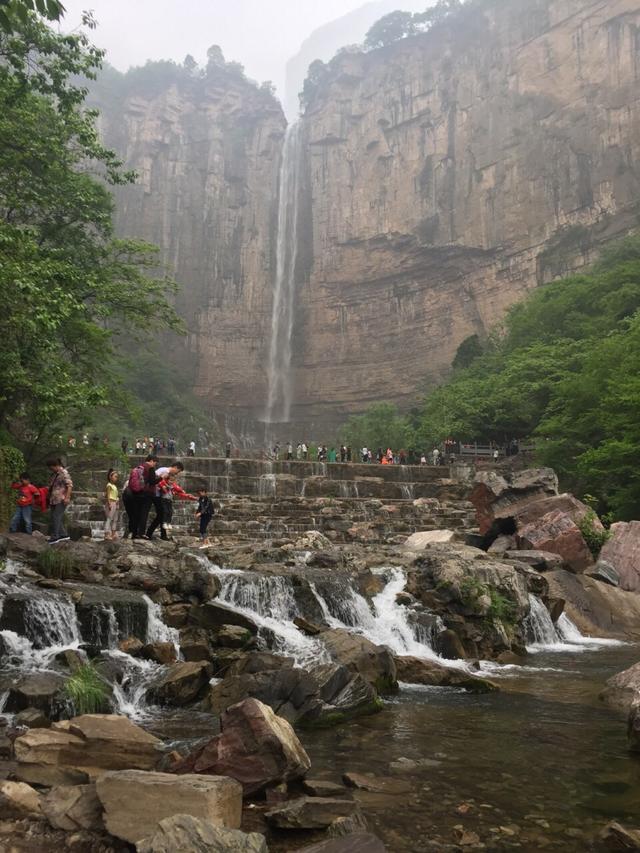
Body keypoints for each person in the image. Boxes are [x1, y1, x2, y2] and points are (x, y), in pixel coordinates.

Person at [146, 461, 186, 540]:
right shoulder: (163, 470)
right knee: (162, 514)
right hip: (155, 495)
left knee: (161, 515)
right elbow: (152, 479)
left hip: (160, 495)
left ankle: (156, 534)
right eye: (178, 471)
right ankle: (152, 534)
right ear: (176, 467)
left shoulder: (168, 473)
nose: (177, 473)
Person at [122, 454, 158, 540]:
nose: (155, 464)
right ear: (151, 460)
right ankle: (141, 533)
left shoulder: (139, 467)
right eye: (155, 462)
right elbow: (152, 482)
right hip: (146, 494)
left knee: (136, 513)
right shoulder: (150, 468)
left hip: (136, 493)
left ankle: (134, 533)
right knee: (144, 513)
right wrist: (161, 478)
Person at [154, 472, 197, 540]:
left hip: (169, 501)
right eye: (170, 480)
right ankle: (164, 523)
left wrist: (188, 495)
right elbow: (161, 485)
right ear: (167, 480)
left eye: (173, 481)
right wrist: (165, 486)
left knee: (170, 512)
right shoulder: (163, 484)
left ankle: (168, 523)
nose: (172, 482)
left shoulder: (172, 487)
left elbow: (179, 491)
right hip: (163, 500)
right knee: (165, 511)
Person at [46, 458, 73, 543]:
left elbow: (69, 486)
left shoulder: (64, 473)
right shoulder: (55, 474)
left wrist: (67, 498)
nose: (51, 469)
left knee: (56, 517)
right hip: (54, 499)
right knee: (55, 517)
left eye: (51, 468)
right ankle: (64, 535)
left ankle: (55, 536)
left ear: (56, 466)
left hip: (61, 499)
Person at [104, 469, 119, 541]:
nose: (116, 478)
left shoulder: (115, 486)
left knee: (115, 519)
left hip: (115, 502)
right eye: (115, 476)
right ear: (111, 477)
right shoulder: (109, 485)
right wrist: (109, 503)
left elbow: (115, 495)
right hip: (111, 503)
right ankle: (107, 534)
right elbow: (108, 495)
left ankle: (113, 533)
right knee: (109, 518)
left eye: (117, 477)